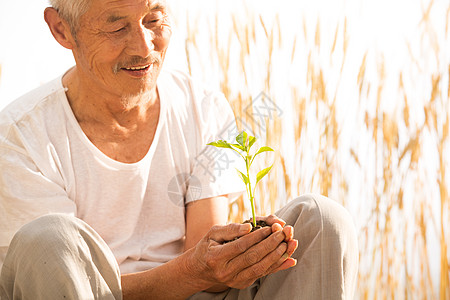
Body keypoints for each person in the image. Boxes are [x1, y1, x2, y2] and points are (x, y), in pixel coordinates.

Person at [0, 0, 359, 299]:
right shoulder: (19, 138)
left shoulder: (202, 106)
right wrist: (194, 271)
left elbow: (206, 264)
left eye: (154, 20)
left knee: (322, 218)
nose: (144, 47)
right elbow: (58, 280)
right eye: (117, 27)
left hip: (194, 293)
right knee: (50, 239)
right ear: (62, 30)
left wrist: (241, 254)